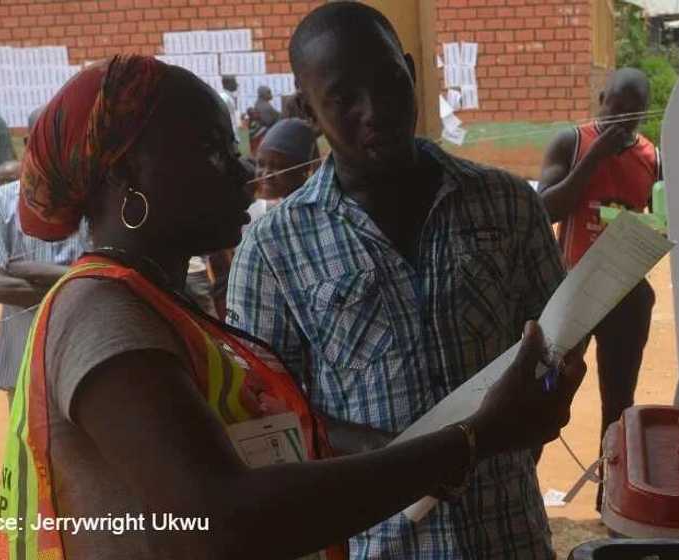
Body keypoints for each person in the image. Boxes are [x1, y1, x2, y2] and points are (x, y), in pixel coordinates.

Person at [0, 54, 584, 560]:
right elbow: (224, 519)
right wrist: (472, 439)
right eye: (214, 151)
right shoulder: (103, 312)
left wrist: (405, 445)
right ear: (127, 177)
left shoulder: (164, 305)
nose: (246, 169)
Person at [228, 4, 569, 557]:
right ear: (307, 109)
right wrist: (392, 455)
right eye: (343, 97)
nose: (375, 111)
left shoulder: (506, 205)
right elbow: (267, 415)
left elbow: (557, 343)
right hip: (382, 544)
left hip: (510, 536)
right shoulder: (274, 251)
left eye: (389, 82)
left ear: (411, 71)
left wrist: (548, 399)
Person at [537, 67, 661, 507]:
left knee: (618, 401)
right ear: (602, 97)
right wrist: (596, 158)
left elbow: (658, 219)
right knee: (542, 395)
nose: (620, 118)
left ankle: (611, 498)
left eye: (632, 113)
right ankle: (523, 490)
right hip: (570, 285)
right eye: (615, 106)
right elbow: (545, 209)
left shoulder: (652, 157)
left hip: (625, 290)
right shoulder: (572, 142)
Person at [0, 185, 89, 408]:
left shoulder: (95, 200)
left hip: (85, 360)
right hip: (23, 361)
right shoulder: (0, 202)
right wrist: (77, 281)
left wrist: (33, 270)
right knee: (27, 439)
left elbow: (106, 280)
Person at [249, 117, 319, 225]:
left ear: (304, 168)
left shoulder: (314, 215)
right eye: (261, 164)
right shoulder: (257, 212)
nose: (266, 174)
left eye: (279, 166)